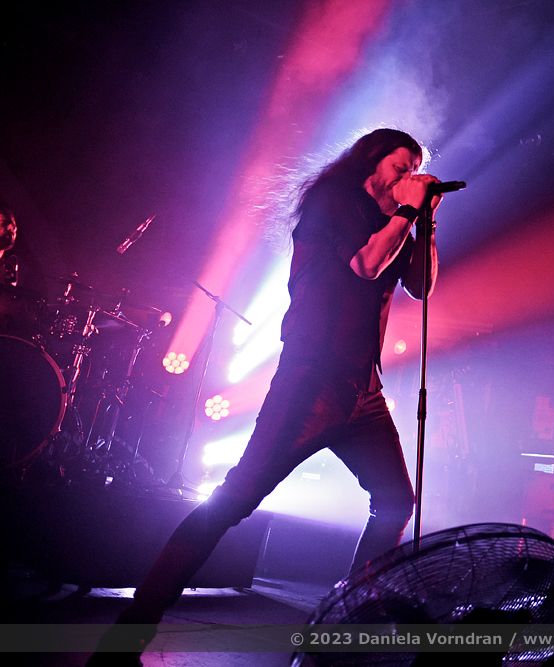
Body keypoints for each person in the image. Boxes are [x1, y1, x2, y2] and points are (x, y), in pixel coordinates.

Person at [90, 128, 442, 660]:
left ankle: (339, 631)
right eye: (401, 167)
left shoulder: (396, 221)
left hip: (363, 390)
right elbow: (365, 265)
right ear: (372, 163)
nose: (409, 177)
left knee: (395, 502)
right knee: (231, 502)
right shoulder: (334, 203)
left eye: (415, 169)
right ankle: (127, 634)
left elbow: (422, 286)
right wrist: (408, 213)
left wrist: (427, 222)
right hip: (310, 382)